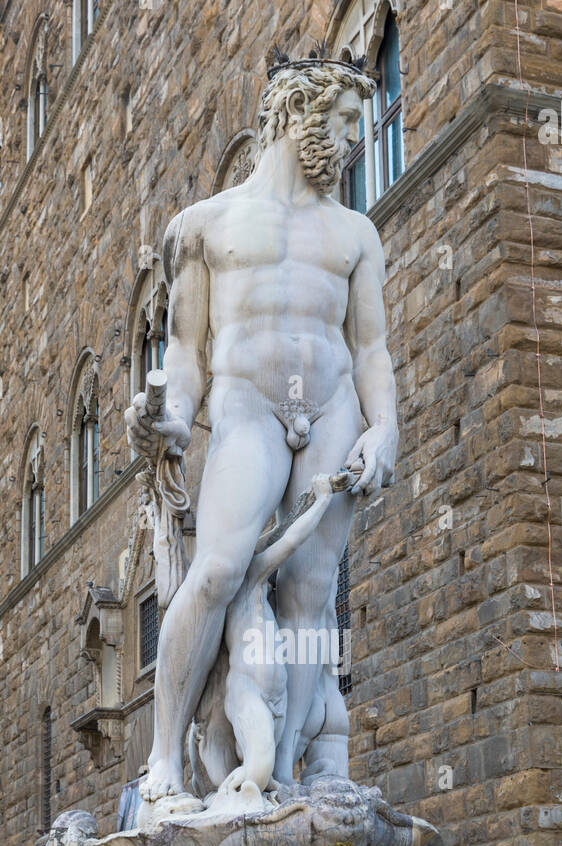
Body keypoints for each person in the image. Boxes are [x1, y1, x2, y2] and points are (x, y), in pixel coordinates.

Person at [126, 54, 398, 808]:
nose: (353, 140)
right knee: (214, 571)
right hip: (246, 409)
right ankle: (165, 767)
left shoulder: (355, 234)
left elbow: (371, 348)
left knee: (312, 593)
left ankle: (277, 777)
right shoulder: (202, 226)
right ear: (294, 113)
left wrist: (386, 430)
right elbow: (185, 355)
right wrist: (171, 417)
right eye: (343, 123)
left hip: (335, 408)